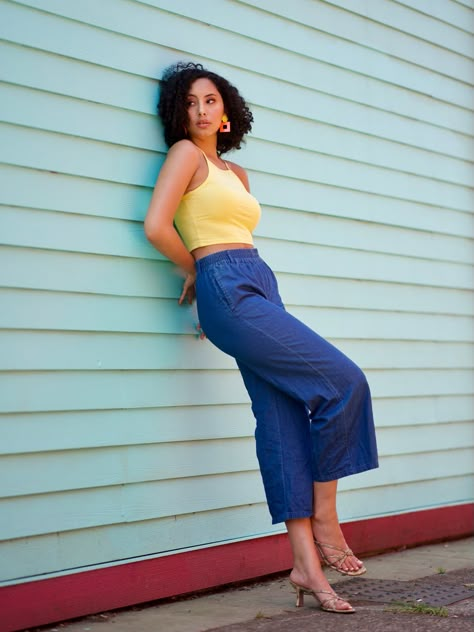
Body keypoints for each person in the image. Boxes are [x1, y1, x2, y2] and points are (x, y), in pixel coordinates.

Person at [144, 61, 379, 615]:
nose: (201, 111)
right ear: (179, 114)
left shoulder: (236, 174)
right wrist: (196, 272)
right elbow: (158, 226)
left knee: (281, 420)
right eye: (190, 103)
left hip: (257, 280)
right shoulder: (185, 156)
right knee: (344, 382)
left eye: (210, 101)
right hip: (224, 283)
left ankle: (305, 567)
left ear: (226, 112)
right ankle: (325, 517)